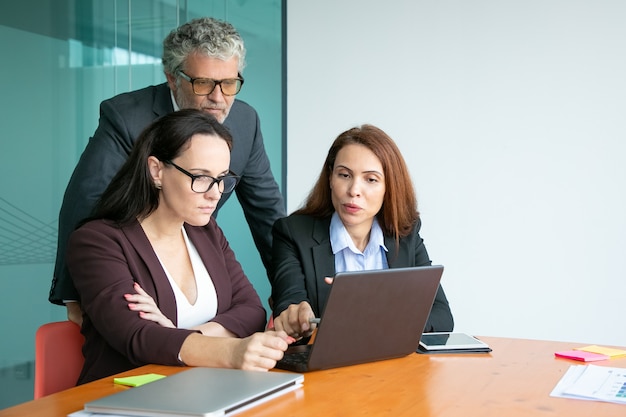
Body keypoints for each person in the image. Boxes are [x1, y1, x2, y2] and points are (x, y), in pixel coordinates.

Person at [50, 17, 285, 325]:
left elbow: (268, 214)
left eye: (229, 84)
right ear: (172, 78)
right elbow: (85, 200)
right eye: (203, 83)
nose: (218, 98)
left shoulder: (245, 122)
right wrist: (75, 294)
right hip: (131, 264)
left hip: (194, 256)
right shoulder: (127, 117)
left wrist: (291, 294)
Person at [66, 109, 292, 384]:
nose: (215, 193)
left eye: (222, 179)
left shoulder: (206, 232)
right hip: (125, 398)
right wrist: (229, 350)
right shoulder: (97, 242)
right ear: (156, 170)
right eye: (201, 177)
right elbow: (137, 337)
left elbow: (252, 310)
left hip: (204, 391)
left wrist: (181, 333)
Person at [270, 124, 454, 339]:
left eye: (371, 179)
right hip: (328, 366)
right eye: (344, 175)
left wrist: (378, 321)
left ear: (389, 187)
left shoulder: (405, 235)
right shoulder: (292, 233)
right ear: (330, 178)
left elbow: (441, 316)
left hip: (393, 365)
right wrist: (298, 317)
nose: (354, 190)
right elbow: (289, 302)